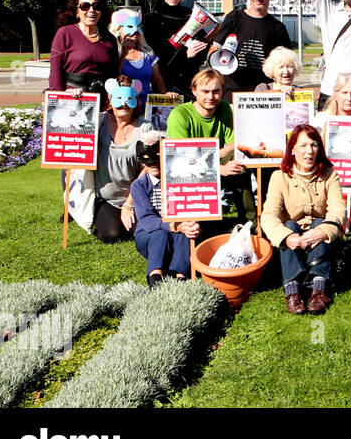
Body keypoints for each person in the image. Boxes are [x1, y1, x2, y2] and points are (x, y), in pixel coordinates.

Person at [262, 124, 346, 315]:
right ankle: (292, 291)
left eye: (314, 145)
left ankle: (319, 289)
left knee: (319, 222)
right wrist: (287, 237)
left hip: (320, 241)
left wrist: (323, 231)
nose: (309, 151)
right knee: (288, 225)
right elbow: (269, 216)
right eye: (303, 146)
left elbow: (338, 209)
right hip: (294, 241)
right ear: (292, 149)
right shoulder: (279, 177)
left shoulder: (329, 175)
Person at [166, 68, 247, 220]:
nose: (211, 96)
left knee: (240, 167)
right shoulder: (180, 115)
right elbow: (183, 159)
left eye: (216, 91)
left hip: (212, 161)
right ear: (194, 90)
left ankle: (249, 222)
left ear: (222, 91)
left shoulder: (224, 108)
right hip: (187, 171)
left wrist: (217, 156)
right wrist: (218, 167)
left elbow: (236, 144)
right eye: (205, 91)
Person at [84, 77, 155, 243]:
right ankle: (103, 217)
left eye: (128, 99)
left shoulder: (145, 128)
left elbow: (147, 167)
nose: (123, 104)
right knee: (112, 234)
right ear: (109, 98)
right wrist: (76, 95)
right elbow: (72, 118)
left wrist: (130, 203)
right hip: (106, 198)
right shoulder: (98, 122)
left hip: (135, 197)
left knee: (141, 230)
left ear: (136, 100)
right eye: (118, 99)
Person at [210, 0, 293, 98]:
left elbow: (288, 62)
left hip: (262, 92)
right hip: (230, 89)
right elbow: (215, 48)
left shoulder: (278, 27)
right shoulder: (234, 17)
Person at [129, 132, 196, 286]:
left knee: (184, 235)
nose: (154, 166)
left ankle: (180, 275)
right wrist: (174, 226)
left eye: (158, 161)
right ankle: (155, 277)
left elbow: (193, 206)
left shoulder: (181, 179)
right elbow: (147, 220)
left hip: (179, 229)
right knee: (160, 235)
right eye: (149, 163)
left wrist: (191, 225)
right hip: (150, 234)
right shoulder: (139, 185)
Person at [142, 0, 212, 96]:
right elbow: (154, 54)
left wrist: (194, 53)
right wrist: (186, 55)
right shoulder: (151, 19)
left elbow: (202, 49)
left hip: (188, 83)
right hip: (162, 82)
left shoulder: (191, 16)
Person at [48, 0, 120, 101]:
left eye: (96, 6)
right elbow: (55, 71)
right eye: (85, 6)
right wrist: (60, 97)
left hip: (101, 101)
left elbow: (113, 73)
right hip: (71, 99)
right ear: (76, 11)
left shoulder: (110, 39)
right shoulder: (65, 34)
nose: (91, 10)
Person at [110, 8, 169, 106]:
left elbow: (157, 79)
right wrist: (123, 55)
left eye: (138, 26)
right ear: (118, 29)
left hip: (145, 106)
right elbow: (113, 78)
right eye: (129, 26)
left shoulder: (147, 53)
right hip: (123, 106)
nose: (135, 31)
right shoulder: (112, 51)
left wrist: (165, 98)